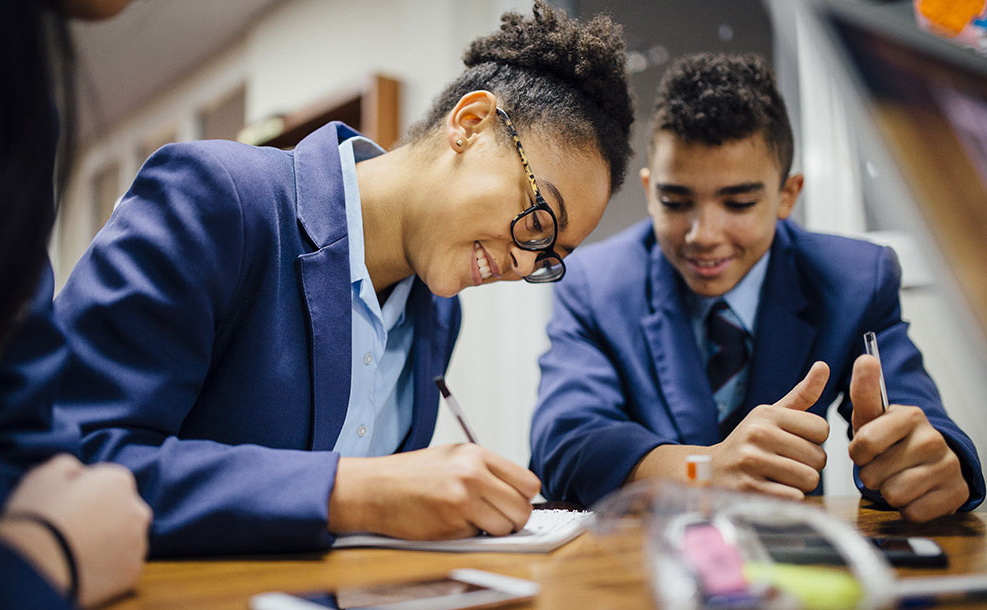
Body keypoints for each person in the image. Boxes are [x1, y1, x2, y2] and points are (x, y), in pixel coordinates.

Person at [52, 1, 634, 556]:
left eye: (551, 257)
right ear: (472, 123)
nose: (526, 264)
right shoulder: (217, 198)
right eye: (538, 221)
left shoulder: (438, 310)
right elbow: (71, 457)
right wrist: (354, 492)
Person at [529, 52, 984, 522]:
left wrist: (930, 462)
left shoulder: (855, 279)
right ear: (649, 191)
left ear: (788, 195)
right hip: (639, 559)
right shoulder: (593, 282)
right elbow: (564, 442)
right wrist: (701, 469)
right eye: (675, 201)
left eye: (740, 202)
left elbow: (917, 416)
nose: (703, 234)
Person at [0, 1, 151, 610]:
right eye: (504, 224)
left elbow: (26, 447)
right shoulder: (219, 187)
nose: (502, 265)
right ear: (468, 125)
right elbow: (101, 440)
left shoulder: (21, 89)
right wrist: (43, 553)